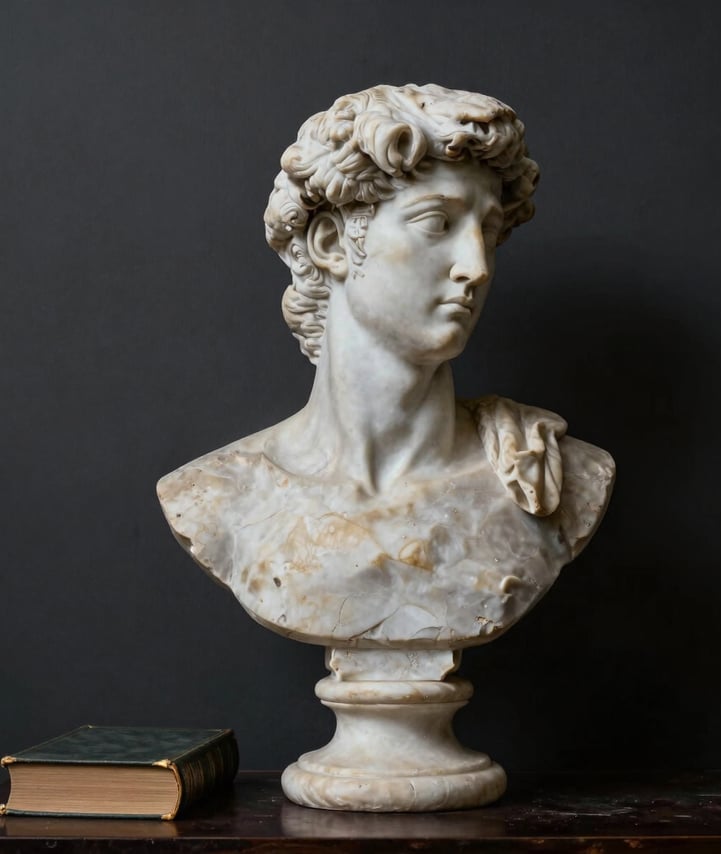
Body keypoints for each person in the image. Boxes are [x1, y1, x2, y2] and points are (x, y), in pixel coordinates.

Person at [157, 84, 615, 649]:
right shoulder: (220, 496)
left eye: (489, 232)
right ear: (331, 242)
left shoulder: (554, 475)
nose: (476, 266)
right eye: (436, 224)